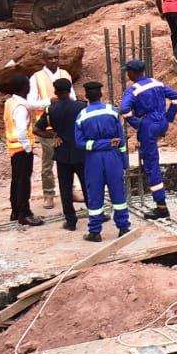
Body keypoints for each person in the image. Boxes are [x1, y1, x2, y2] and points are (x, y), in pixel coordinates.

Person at [119, 59, 177, 219]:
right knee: (152, 161)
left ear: (133, 73)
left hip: (148, 125)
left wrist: (138, 124)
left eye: (128, 72)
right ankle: (160, 203)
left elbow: (124, 110)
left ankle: (161, 206)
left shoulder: (133, 90)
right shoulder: (157, 83)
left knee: (151, 165)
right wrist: (168, 117)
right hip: (161, 122)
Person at [75, 80, 132, 241]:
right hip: (112, 156)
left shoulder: (82, 116)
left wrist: (98, 144)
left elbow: (80, 143)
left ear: (86, 96)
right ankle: (123, 228)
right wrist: (124, 162)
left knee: (95, 194)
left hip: (93, 159)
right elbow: (121, 140)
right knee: (118, 193)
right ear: (101, 94)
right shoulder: (112, 111)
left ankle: (95, 231)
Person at [35, 77, 88, 230]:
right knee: (87, 185)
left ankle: (71, 221)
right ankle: (95, 214)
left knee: (65, 189)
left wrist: (53, 135)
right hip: (80, 152)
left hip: (62, 153)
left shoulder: (51, 110)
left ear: (56, 92)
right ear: (70, 90)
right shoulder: (81, 106)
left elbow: (37, 129)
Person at [27, 46, 71, 209]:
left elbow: (72, 95)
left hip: (65, 124)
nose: (54, 61)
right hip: (46, 127)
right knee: (48, 161)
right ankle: (48, 193)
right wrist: (48, 102)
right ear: (43, 60)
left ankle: (70, 190)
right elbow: (30, 102)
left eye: (56, 57)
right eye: (50, 58)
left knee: (68, 159)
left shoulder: (65, 74)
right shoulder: (36, 78)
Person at [5, 72, 44, 226]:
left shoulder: (10, 102)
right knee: (23, 182)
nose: (30, 86)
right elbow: (21, 130)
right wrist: (27, 147)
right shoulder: (20, 107)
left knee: (16, 180)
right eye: (28, 84)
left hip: (13, 148)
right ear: (23, 87)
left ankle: (15, 210)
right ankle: (24, 213)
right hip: (21, 149)